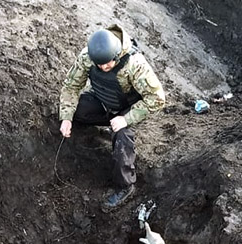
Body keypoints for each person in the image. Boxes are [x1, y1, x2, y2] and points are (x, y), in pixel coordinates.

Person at [59, 25, 166, 210]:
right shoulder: (87, 57)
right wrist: (66, 117)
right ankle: (91, 132)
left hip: (128, 109)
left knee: (122, 139)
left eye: (108, 63)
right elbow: (71, 87)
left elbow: (157, 99)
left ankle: (125, 185)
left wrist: (127, 118)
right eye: (99, 64)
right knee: (77, 110)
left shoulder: (134, 64)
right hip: (102, 100)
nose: (103, 67)